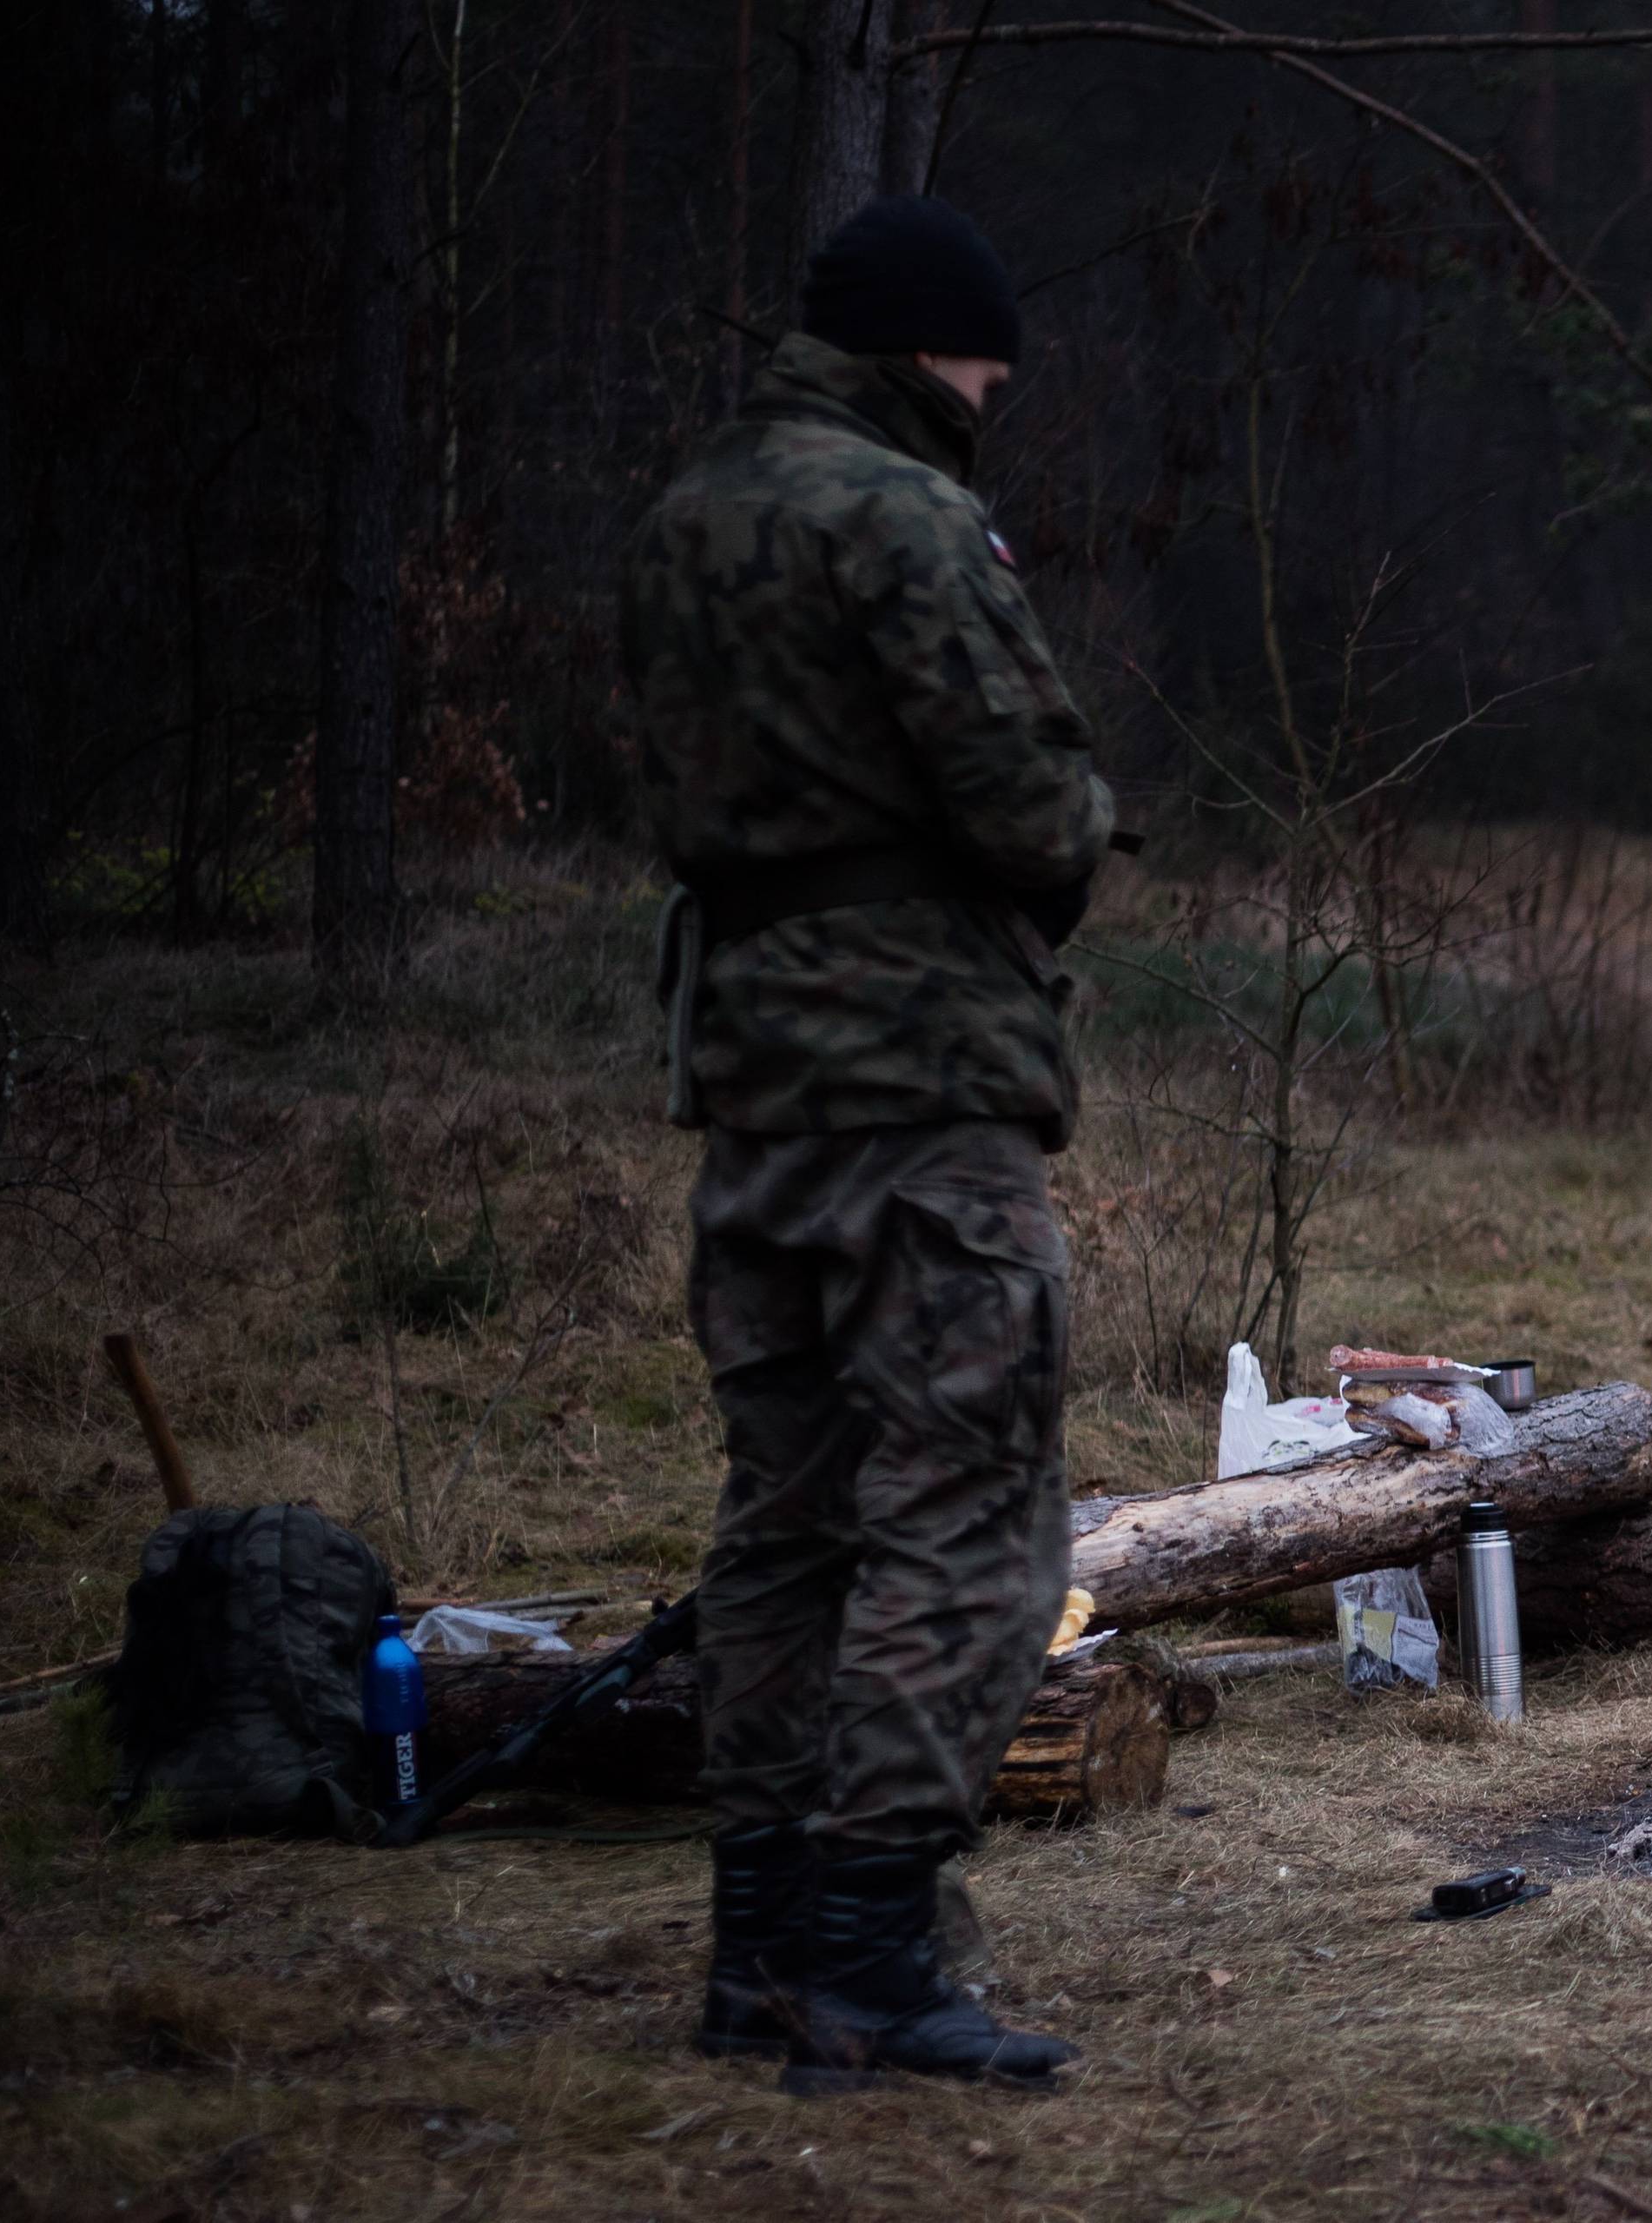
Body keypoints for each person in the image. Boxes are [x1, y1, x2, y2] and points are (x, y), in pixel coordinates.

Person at [619, 194, 1113, 2097]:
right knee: (969, 1518)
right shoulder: (903, 516)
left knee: (788, 1519)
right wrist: (1075, 828)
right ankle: (869, 1958)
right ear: (930, 347)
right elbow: (1026, 796)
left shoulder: (688, 516)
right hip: (918, 1088)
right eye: (987, 361)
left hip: (751, 1088)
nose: (997, 389)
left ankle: (757, 1948)